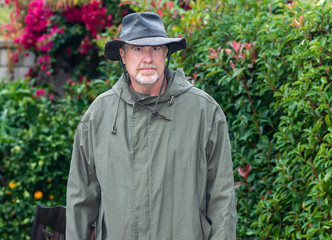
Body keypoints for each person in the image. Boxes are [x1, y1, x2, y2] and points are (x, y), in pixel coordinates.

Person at [66, 12, 237, 240]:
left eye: (155, 49)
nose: (148, 58)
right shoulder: (98, 116)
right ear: (123, 55)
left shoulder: (204, 112)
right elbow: (80, 200)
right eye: (137, 49)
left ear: (166, 53)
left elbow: (222, 197)